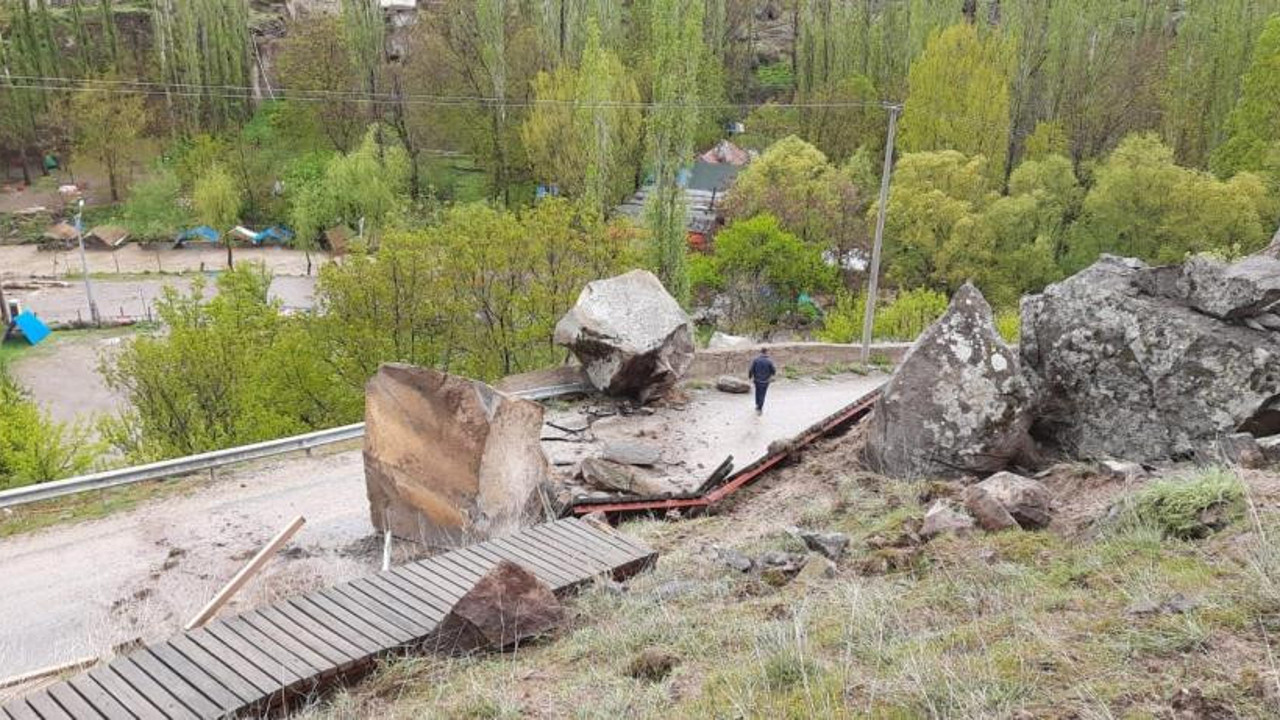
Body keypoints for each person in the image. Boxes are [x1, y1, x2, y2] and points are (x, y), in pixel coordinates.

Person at [747, 347, 777, 415]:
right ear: (766, 352)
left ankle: (757, 404)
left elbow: (751, 369)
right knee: (763, 394)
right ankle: (760, 407)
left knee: (757, 392)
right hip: (765, 381)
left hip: (757, 380)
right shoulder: (769, 361)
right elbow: (773, 371)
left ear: (760, 352)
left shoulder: (756, 360)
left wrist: (750, 377)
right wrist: (772, 375)